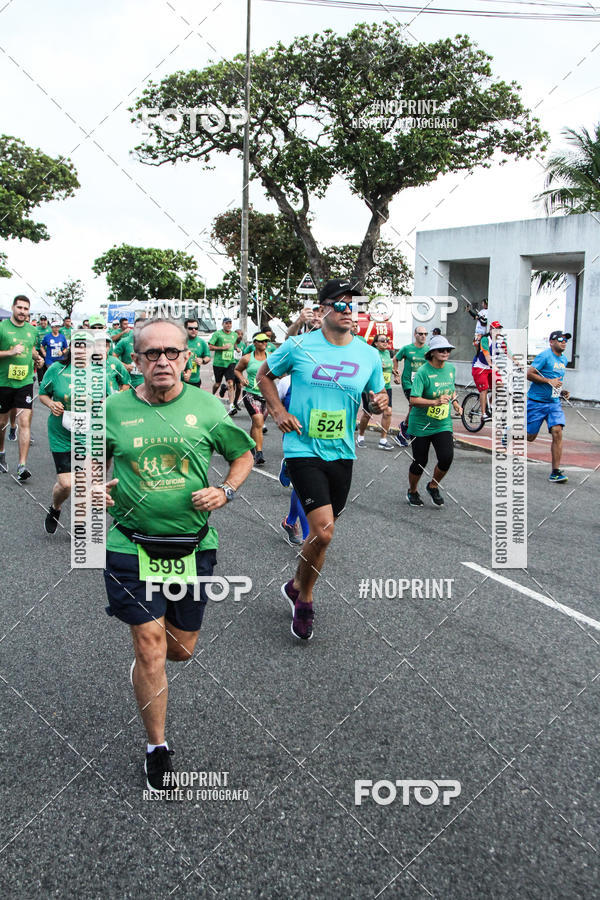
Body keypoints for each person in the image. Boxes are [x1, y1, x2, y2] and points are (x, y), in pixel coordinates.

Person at [100, 317, 254, 793]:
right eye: (151, 354)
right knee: (149, 646)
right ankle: (157, 748)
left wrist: (225, 491)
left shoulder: (209, 408)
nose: (162, 361)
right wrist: (87, 487)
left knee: (180, 651)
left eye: (172, 352)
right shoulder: (112, 408)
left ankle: (151, 663)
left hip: (191, 546)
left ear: (189, 358)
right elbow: (88, 464)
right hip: (129, 543)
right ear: (136, 361)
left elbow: (242, 455)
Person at [258, 277, 387, 641]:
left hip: (342, 451)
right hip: (303, 448)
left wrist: (376, 403)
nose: (350, 312)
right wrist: (278, 410)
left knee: (320, 535)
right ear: (324, 308)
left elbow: (373, 396)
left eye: (356, 306)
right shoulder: (299, 346)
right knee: (324, 531)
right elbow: (263, 375)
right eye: (342, 304)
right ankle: (306, 600)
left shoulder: (368, 354)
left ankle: (296, 583)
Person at [405, 334, 462, 508]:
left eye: (448, 350)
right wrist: (434, 402)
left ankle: (433, 486)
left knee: (446, 457)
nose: (445, 352)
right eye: (441, 350)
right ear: (432, 353)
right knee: (420, 461)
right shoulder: (423, 372)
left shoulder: (451, 369)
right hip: (421, 424)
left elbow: (450, 390)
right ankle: (412, 491)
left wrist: (456, 403)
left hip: (442, 423)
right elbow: (413, 400)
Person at [0, 295, 44, 479]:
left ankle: (22, 466)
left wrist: (38, 358)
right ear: (13, 307)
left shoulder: (32, 331)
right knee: (1, 423)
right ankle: (1, 453)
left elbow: (30, 349)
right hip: (3, 382)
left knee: (24, 422)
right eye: (19, 308)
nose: (22, 312)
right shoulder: (2, 328)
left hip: (25, 381)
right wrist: (10, 352)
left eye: (26, 309)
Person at [527, 330, 571, 483]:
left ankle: (555, 472)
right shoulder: (544, 356)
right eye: (560, 339)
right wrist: (548, 382)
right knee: (530, 437)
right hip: (536, 403)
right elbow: (529, 374)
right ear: (551, 342)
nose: (564, 342)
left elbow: (556, 380)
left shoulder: (564, 360)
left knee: (557, 431)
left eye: (566, 340)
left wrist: (561, 391)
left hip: (553, 403)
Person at [234, 332, 269, 466]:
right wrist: (242, 379)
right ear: (254, 343)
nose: (264, 344)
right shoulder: (247, 358)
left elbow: (279, 372)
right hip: (250, 394)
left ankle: (250, 445)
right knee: (258, 420)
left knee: (257, 425)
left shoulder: (271, 358)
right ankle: (259, 453)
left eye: (266, 341)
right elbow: (237, 370)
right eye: (260, 341)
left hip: (265, 395)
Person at [356, 332, 394, 450]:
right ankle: (360, 436)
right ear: (376, 343)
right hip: (371, 388)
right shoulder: (371, 353)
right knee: (368, 413)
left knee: (388, 412)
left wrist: (395, 373)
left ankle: (383, 439)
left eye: (387, 340)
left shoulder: (388, 353)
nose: (385, 343)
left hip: (386, 387)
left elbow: (391, 366)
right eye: (382, 341)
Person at [393, 326, 429, 446]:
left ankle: (405, 426)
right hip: (408, 382)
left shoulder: (429, 350)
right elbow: (395, 359)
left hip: (422, 383)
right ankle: (403, 433)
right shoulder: (407, 349)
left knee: (418, 407)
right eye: (420, 334)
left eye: (425, 334)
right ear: (415, 335)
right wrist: (396, 373)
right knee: (414, 404)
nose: (423, 336)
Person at [471, 320, 503, 423]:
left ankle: (490, 405)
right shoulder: (485, 339)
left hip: (490, 368)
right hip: (480, 367)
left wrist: (518, 362)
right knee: (484, 389)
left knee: (499, 386)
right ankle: (483, 414)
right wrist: (491, 364)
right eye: (496, 329)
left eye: (499, 329)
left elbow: (508, 352)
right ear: (491, 330)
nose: (498, 331)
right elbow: (486, 353)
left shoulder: (500, 340)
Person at [209, 317, 237, 412]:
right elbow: (210, 347)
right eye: (226, 323)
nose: (228, 325)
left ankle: (231, 406)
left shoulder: (234, 335)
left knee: (230, 383)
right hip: (219, 363)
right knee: (217, 383)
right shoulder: (217, 334)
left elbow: (234, 343)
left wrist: (236, 348)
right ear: (222, 324)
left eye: (230, 323)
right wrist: (222, 348)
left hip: (230, 362)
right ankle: (211, 397)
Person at [182, 318, 210, 388]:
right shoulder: (180, 341)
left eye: (196, 328)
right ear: (185, 329)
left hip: (195, 380)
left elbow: (208, 357)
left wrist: (202, 360)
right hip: (180, 380)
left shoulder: (202, 342)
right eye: (191, 328)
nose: (194, 330)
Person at [114, 322, 143, 388]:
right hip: (129, 382)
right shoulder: (125, 341)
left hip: (145, 383)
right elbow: (113, 356)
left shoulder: (151, 342)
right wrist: (124, 365)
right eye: (138, 328)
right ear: (134, 328)